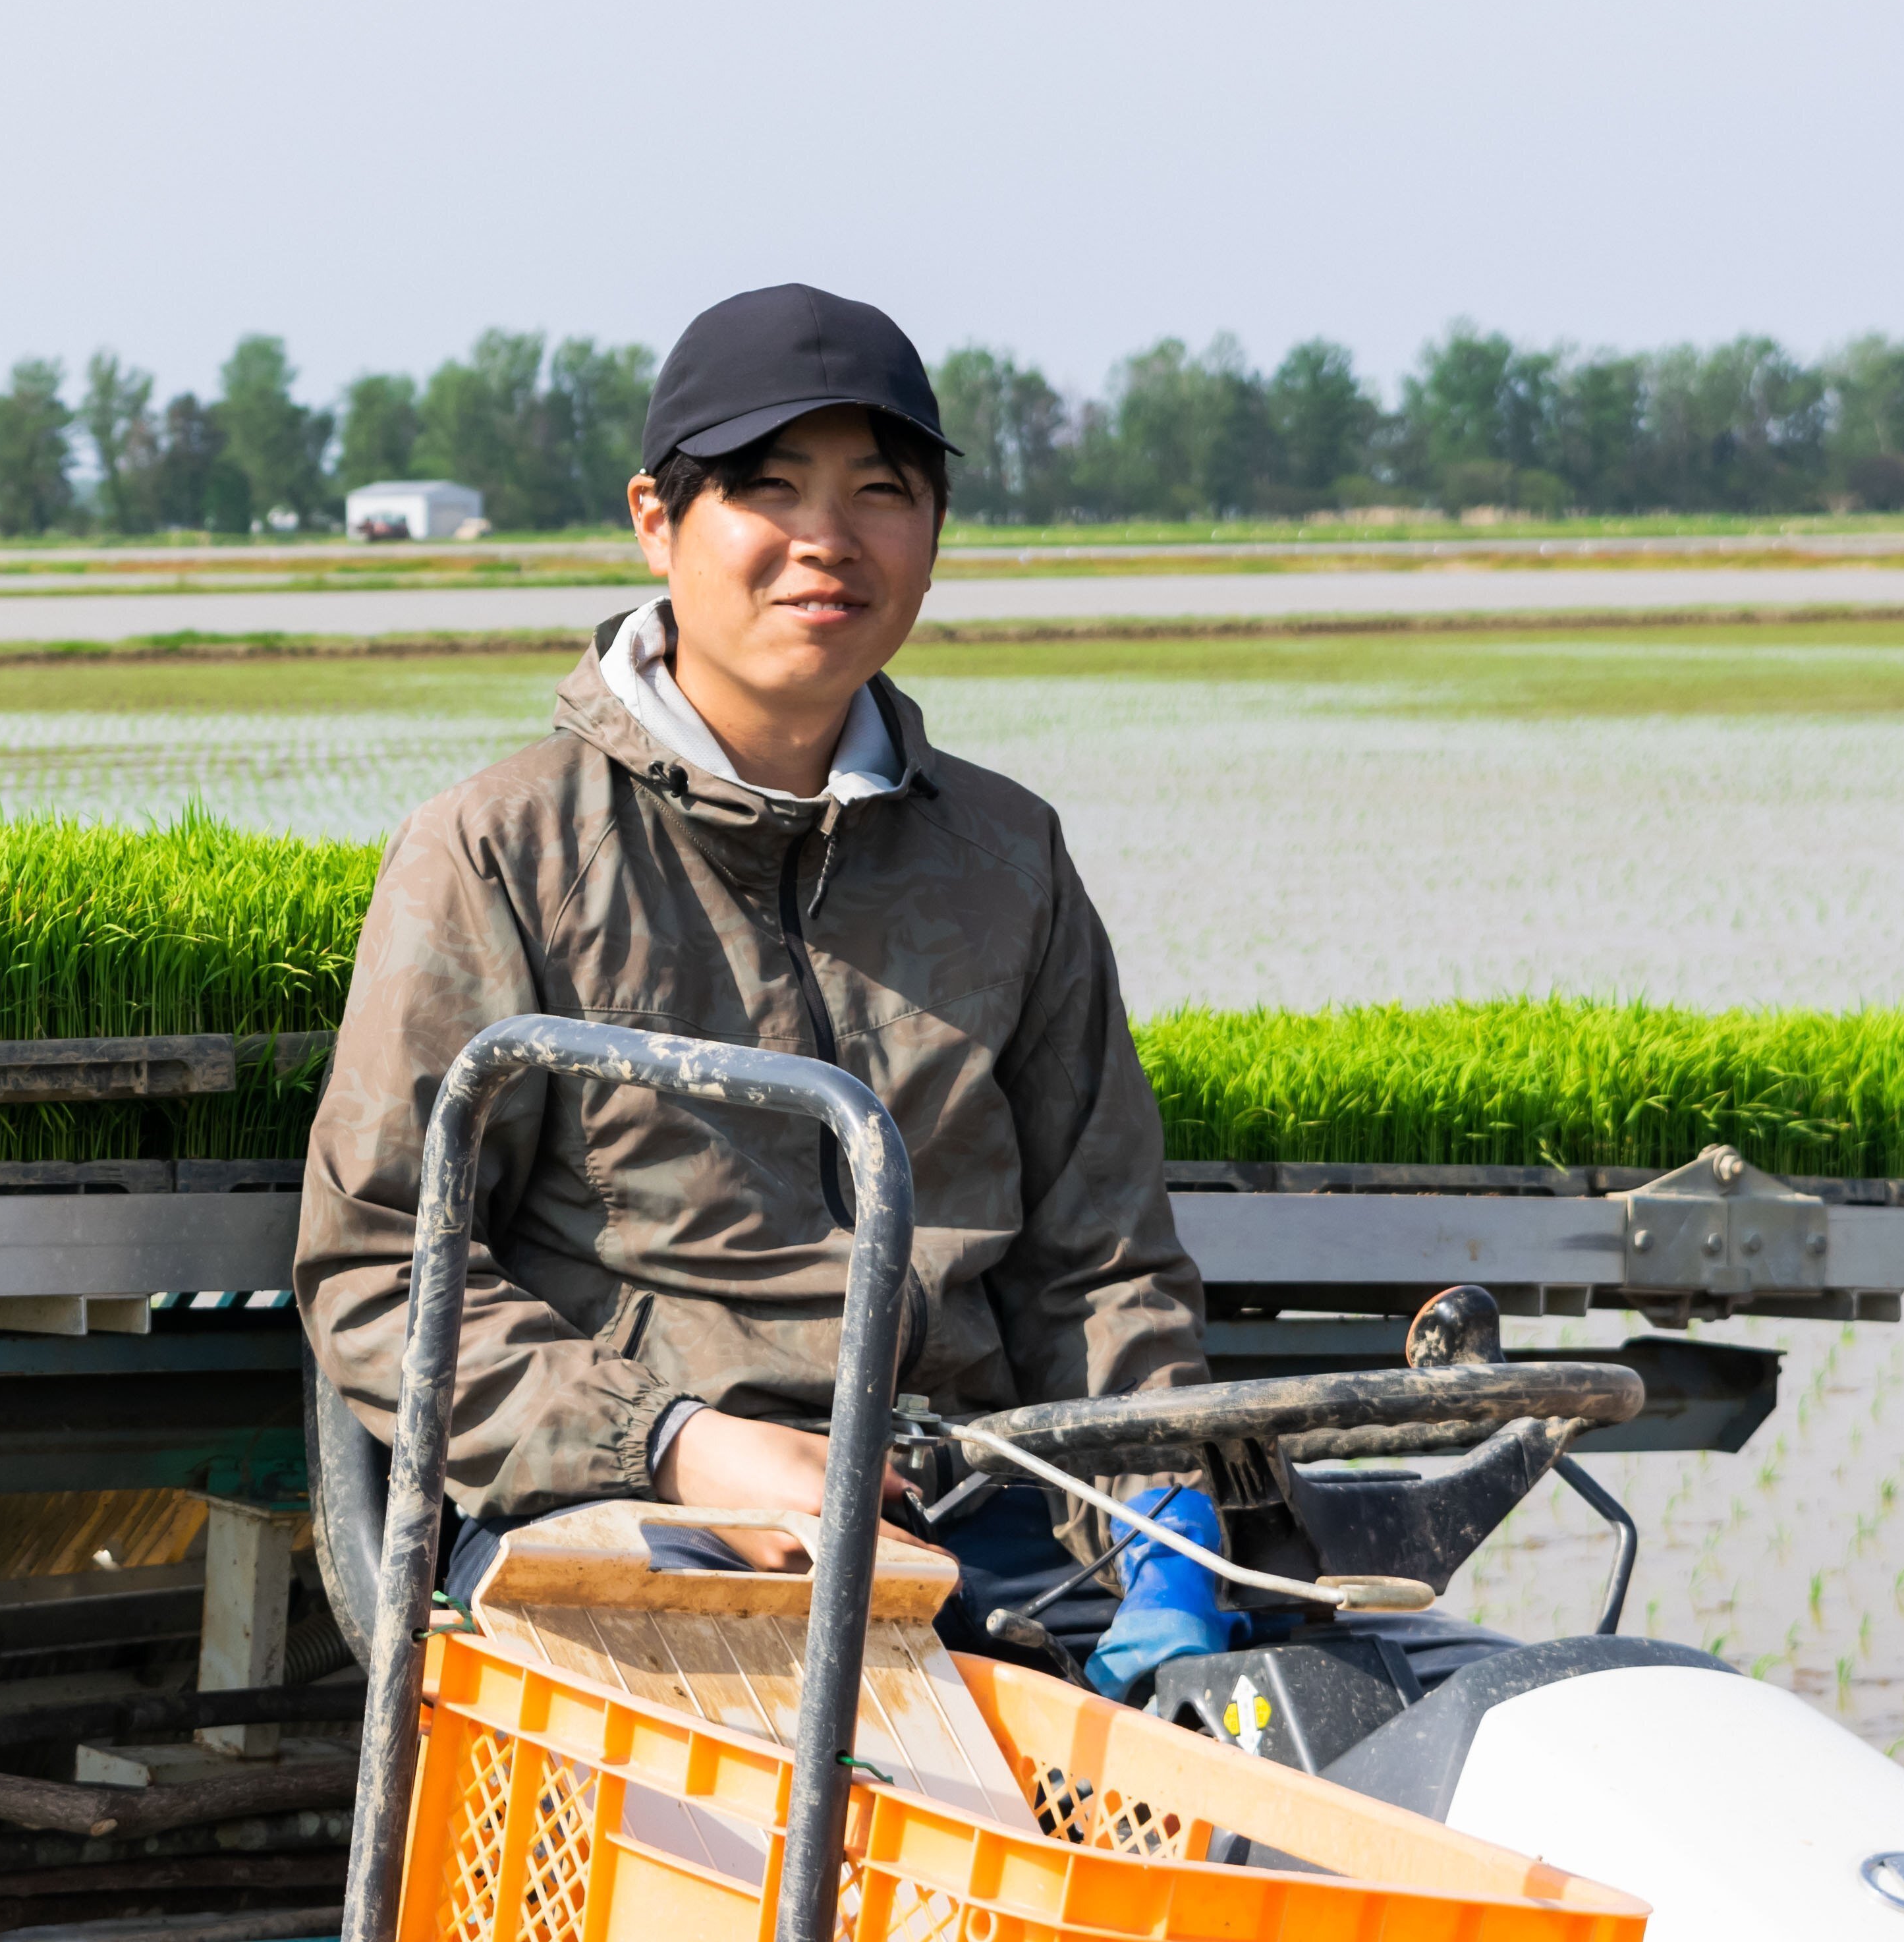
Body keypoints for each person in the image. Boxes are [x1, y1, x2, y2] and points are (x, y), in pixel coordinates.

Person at [294, 282, 1214, 1681]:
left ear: (935, 533)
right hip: (632, 1524)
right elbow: (376, 1269)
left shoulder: (1005, 856)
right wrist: (670, 1442)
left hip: (976, 1516)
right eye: (767, 488)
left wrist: (1167, 1509)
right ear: (657, 522)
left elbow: (1098, 1262)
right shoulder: (504, 850)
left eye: (880, 491)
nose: (825, 540)